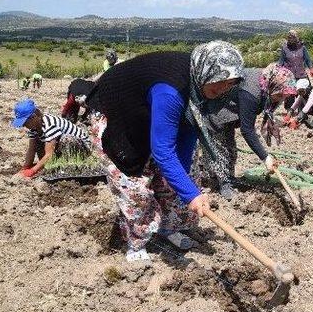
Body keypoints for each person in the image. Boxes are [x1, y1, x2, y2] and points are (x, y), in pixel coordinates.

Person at [87, 41, 244, 262]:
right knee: (135, 186)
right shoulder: (171, 92)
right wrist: (192, 194)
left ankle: (165, 229)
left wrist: (181, 181)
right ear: (206, 72)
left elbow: (188, 130)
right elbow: (162, 150)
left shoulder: (201, 88)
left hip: (149, 112)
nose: (222, 88)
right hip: (119, 115)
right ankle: (136, 243)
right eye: (219, 82)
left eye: (230, 83)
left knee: (172, 180)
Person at [199, 63, 296, 199]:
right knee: (219, 151)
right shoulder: (251, 92)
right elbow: (247, 130)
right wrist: (265, 157)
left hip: (229, 115)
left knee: (231, 150)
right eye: (280, 96)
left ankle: (229, 178)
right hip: (215, 114)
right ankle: (223, 183)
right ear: (274, 86)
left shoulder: (267, 80)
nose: (281, 100)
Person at [11, 99, 91, 179]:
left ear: (34, 117)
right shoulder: (34, 128)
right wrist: (25, 168)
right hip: (61, 148)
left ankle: (70, 167)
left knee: (66, 139)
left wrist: (32, 171)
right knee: (37, 141)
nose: (24, 125)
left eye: (25, 122)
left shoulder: (50, 124)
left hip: (83, 150)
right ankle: (51, 166)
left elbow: (49, 154)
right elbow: (31, 149)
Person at [277, 30, 313, 108]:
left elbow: (308, 59)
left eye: (293, 37)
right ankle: (289, 113)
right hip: (289, 76)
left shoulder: (302, 47)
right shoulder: (285, 48)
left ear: (297, 38)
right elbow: (281, 62)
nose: (291, 39)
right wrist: (277, 71)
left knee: (303, 94)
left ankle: (302, 112)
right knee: (290, 95)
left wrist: (311, 69)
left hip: (302, 75)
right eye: (290, 37)